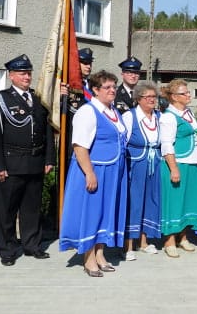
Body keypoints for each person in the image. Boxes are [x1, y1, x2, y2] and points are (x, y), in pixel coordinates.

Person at [0, 54, 55, 266]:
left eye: (29, 72)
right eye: (22, 73)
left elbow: (48, 132)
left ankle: (32, 244)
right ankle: (7, 249)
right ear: (11, 75)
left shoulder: (38, 98)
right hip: (11, 164)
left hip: (35, 163)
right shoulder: (0, 98)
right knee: (6, 211)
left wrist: (49, 158)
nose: (27, 76)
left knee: (31, 210)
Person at [59, 70, 128, 277]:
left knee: (106, 213)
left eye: (114, 87)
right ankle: (88, 259)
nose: (112, 91)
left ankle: (100, 254)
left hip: (114, 169)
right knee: (91, 214)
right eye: (107, 87)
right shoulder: (87, 112)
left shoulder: (114, 111)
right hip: (94, 169)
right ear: (95, 90)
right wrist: (89, 173)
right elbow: (79, 146)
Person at [159, 79, 197, 258]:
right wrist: (174, 168)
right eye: (184, 93)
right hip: (179, 162)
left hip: (193, 160)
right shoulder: (168, 117)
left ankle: (183, 236)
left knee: (187, 201)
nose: (188, 96)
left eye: (188, 92)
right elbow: (167, 144)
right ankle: (169, 240)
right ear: (173, 97)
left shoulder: (187, 113)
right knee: (174, 202)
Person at [122, 80, 162, 260]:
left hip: (155, 164)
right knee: (134, 202)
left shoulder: (159, 117)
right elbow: (122, 142)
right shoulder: (130, 116)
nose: (152, 100)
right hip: (136, 164)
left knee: (150, 201)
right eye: (149, 97)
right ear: (139, 99)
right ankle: (128, 244)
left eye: (154, 97)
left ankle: (144, 241)